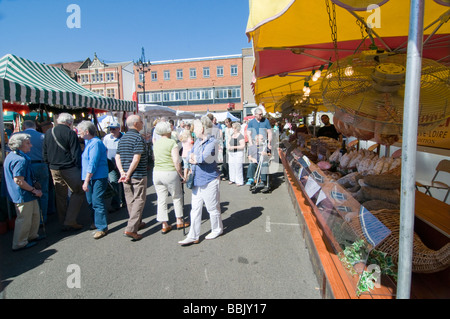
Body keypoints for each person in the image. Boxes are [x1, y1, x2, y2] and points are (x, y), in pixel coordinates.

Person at [178, 116, 223, 246]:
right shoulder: (198, 141)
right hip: (197, 179)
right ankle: (193, 235)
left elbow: (202, 158)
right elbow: (189, 155)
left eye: (196, 127)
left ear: (202, 128)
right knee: (195, 209)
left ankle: (217, 229)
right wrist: (193, 158)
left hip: (209, 180)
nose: (193, 130)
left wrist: (194, 158)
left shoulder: (212, 142)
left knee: (212, 208)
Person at [43, 113, 84, 231]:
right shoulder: (70, 133)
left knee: (60, 195)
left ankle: (63, 220)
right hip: (68, 167)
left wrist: (49, 163)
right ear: (70, 123)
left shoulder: (48, 132)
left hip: (54, 167)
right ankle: (70, 220)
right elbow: (75, 152)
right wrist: (78, 166)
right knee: (78, 191)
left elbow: (44, 151)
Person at [3, 133, 43, 251]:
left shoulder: (12, 156)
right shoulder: (19, 159)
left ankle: (31, 236)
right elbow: (19, 180)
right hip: (23, 194)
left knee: (34, 215)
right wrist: (34, 190)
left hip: (26, 194)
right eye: (27, 143)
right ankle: (20, 243)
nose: (30, 146)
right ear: (19, 145)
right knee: (24, 219)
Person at [115, 115, 148, 241]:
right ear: (135, 124)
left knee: (130, 200)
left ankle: (137, 223)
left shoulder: (123, 138)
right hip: (137, 174)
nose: (142, 124)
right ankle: (131, 228)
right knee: (139, 199)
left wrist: (122, 172)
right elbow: (136, 158)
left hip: (125, 175)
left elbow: (117, 157)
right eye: (141, 122)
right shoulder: (138, 138)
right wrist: (128, 173)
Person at [152, 121, 187, 234]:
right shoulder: (172, 142)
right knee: (176, 196)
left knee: (161, 199)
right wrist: (181, 174)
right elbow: (176, 161)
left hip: (157, 172)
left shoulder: (156, 143)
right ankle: (179, 220)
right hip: (169, 172)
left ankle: (164, 224)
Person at [78, 121, 109, 239]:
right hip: (91, 177)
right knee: (91, 201)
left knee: (97, 201)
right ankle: (96, 222)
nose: (79, 133)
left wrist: (86, 180)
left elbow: (93, 163)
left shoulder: (95, 143)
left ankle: (102, 227)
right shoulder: (89, 142)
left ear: (86, 131)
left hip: (97, 176)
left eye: (80, 131)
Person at [20, 120, 49, 224]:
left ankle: (31, 220)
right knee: (43, 192)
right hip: (40, 165)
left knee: (28, 192)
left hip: (25, 166)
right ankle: (42, 218)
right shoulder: (42, 136)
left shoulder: (18, 135)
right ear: (35, 126)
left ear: (24, 127)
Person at [102, 120, 125, 211]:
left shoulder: (124, 137)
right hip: (111, 166)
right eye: (110, 129)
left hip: (122, 165)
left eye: (114, 129)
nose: (112, 131)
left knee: (124, 184)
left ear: (119, 129)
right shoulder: (107, 138)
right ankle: (115, 203)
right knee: (113, 183)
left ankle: (125, 201)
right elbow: (104, 150)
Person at [227, 122, 245, 186]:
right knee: (231, 166)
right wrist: (229, 146)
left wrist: (234, 147)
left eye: (233, 128)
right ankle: (232, 179)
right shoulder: (232, 134)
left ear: (236, 128)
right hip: (231, 153)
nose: (232, 129)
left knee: (238, 167)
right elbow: (229, 141)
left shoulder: (240, 136)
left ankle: (239, 181)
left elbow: (242, 146)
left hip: (238, 152)